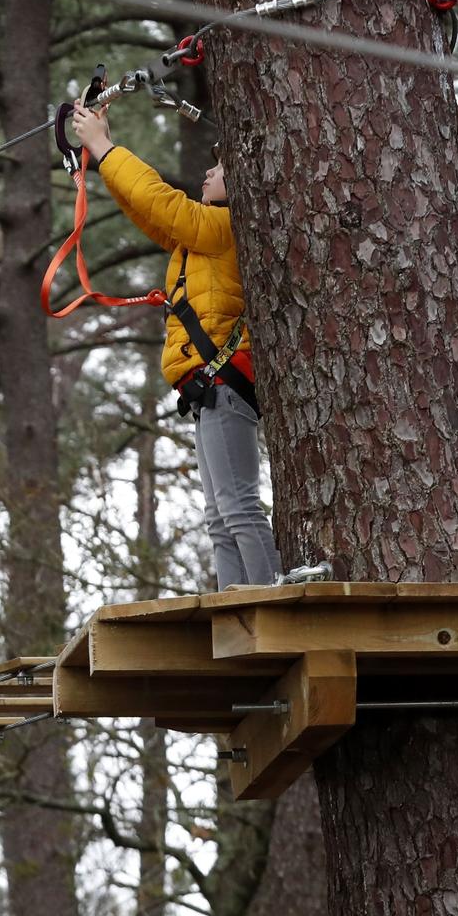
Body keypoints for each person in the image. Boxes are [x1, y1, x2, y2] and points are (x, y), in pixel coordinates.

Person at [69, 104, 279, 588]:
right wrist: (105, 156)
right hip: (211, 386)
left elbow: (163, 203)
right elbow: (148, 209)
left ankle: (271, 599)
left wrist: (104, 147)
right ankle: (238, 605)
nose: (209, 171)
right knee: (220, 514)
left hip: (223, 382)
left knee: (237, 506)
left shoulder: (226, 230)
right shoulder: (203, 237)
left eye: (221, 167)